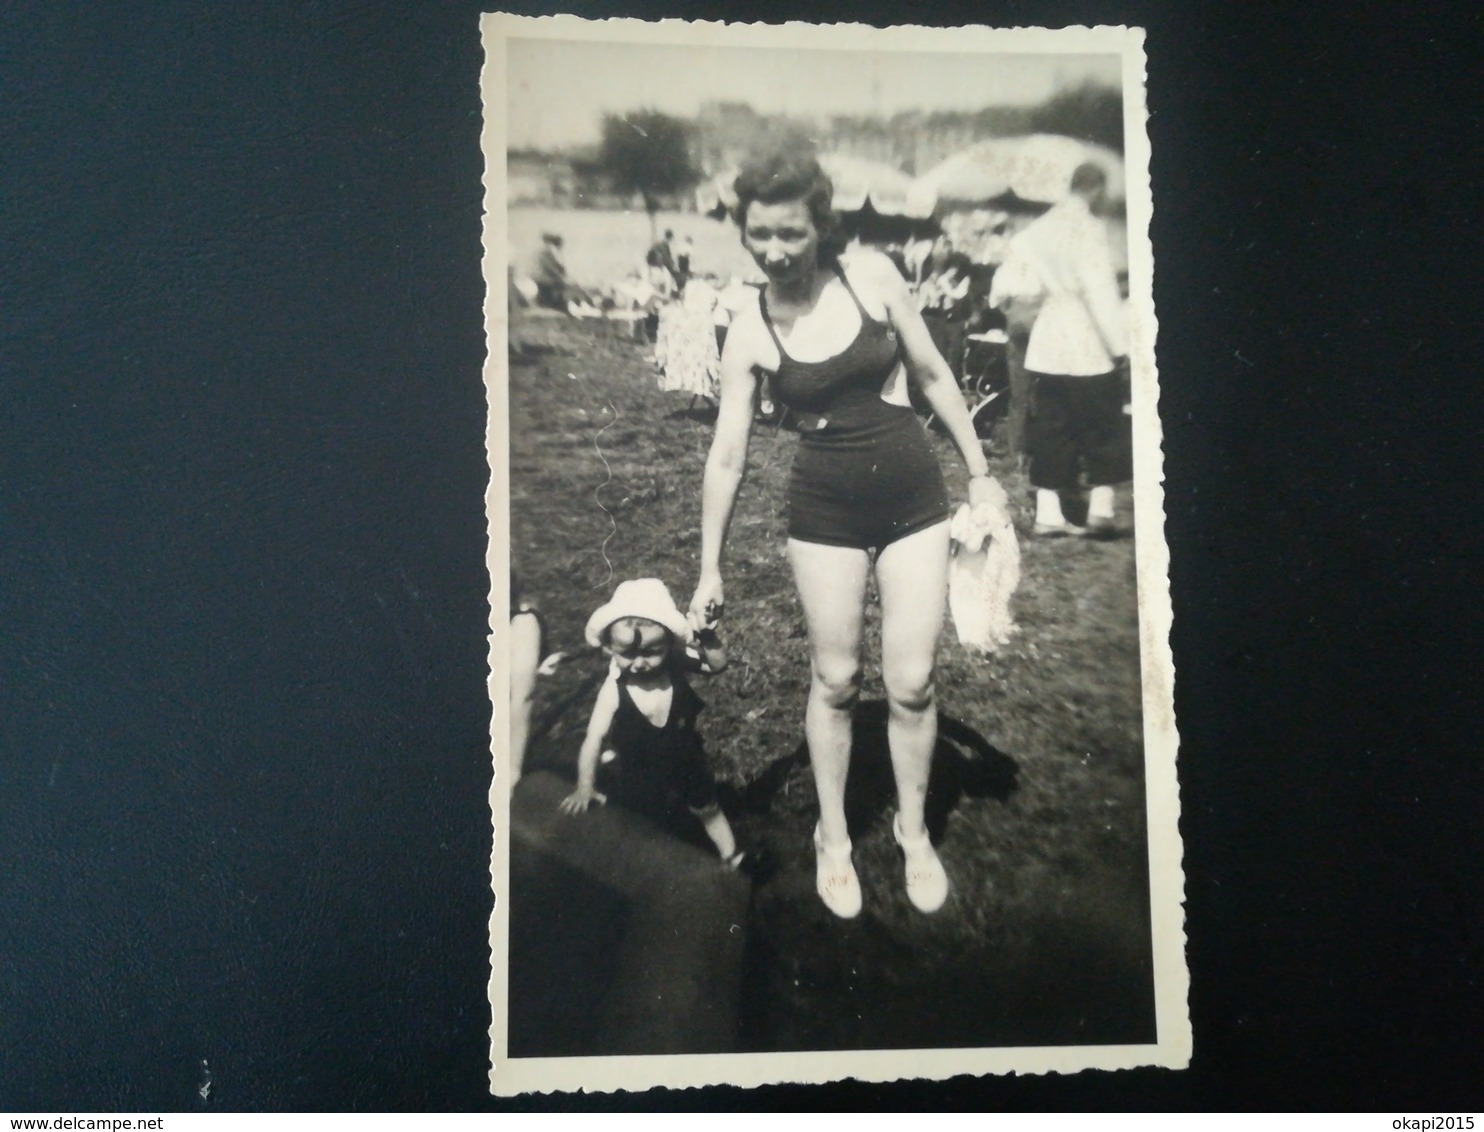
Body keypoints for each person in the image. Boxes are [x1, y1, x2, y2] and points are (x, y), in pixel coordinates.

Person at [688, 148, 998, 918]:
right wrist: (709, 570)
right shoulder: (750, 327)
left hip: (912, 495)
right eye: (760, 234)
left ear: (821, 226)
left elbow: (930, 374)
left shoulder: (874, 278)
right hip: (823, 510)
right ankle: (833, 835)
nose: (775, 249)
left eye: (791, 233)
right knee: (835, 681)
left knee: (913, 682)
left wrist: (981, 470)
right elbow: (727, 455)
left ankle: (914, 829)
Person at [560, 579, 744, 869]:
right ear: (609, 648)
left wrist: (707, 637)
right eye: (627, 653)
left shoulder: (676, 661)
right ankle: (646, 862)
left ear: (670, 644)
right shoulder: (615, 690)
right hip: (638, 764)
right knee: (642, 815)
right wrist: (585, 786)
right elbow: (593, 739)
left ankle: (731, 856)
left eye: (651, 652)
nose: (639, 663)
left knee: (707, 806)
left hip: (685, 756)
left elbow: (718, 665)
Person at [990, 162, 1131, 537]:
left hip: (1049, 336)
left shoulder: (1038, 230)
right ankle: (1100, 511)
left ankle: (1049, 515)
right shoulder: (1088, 229)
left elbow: (1010, 282)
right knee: (1101, 422)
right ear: (1097, 189)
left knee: (1052, 426)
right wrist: (1120, 346)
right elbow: (1099, 291)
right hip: (1087, 338)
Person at [532, 232, 568, 311]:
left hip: (545, 279)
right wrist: (559, 276)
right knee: (547, 300)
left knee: (545, 300)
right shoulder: (549, 251)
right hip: (547, 280)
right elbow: (549, 266)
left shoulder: (548, 251)